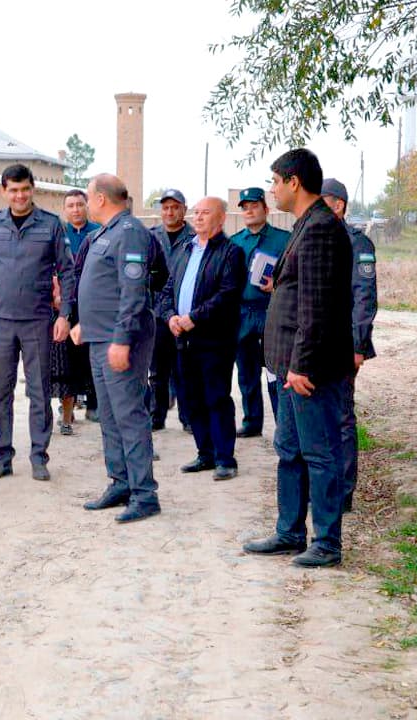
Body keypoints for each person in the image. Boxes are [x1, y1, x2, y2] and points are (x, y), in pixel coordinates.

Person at [243, 148, 353, 568]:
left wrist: (302, 365)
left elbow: (317, 308)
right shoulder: (305, 224)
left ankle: (326, 542)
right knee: (289, 449)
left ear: (294, 181)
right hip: (289, 366)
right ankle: (290, 531)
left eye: (275, 181)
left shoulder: (321, 228)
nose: (272, 190)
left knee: (319, 453)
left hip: (309, 369)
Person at [0, 163, 76, 481]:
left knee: (39, 392)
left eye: (25, 189)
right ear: (4, 191)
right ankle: (2, 456)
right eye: (14, 190)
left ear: (33, 189)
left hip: (37, 320)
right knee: (1, 391)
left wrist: (65, 315)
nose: (20, 196)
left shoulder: (51, 225)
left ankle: (39, 456)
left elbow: (67, 272)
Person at [75, 174, 163, 522]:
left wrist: (122, 339)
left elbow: (133, 292)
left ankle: (144, 494)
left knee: (129, 416)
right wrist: (85, 322)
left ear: (100, 198)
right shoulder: (105, 232)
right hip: (100, 337)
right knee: (109, 416)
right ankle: (120, 482)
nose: (86, 203)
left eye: (88, 197)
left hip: (120, 340)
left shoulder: (129, 232)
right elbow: (104, 287)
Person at [158, 197, 245, 481]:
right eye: (196, 212)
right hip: (183, 339)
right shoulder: (186, 249)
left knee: (216, 398)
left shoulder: (231, 252)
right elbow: (168, 289)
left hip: (214, 341)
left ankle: (225, 458)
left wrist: (194, 317)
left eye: (205, 213)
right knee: (191, 397)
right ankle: (204, 453)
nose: (198, 217)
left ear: (221, 219)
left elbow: (227, 295)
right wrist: (170, 316)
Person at [320, 178, 379, 511]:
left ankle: (342, 493)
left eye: (322, 202)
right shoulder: (315, 238)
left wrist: (358, 345)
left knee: (341, 417)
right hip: (314, 343)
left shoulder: (357, 243)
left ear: (338, 205)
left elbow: (364, 297)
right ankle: (322, 487)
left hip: (342, 344)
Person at [229, 187, 291, 439]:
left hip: (271, 310)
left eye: (254, 206)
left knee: (276, 371)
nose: (249, 211)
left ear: (266, 209)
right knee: (246, 371)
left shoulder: (283, 239)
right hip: (242, 312)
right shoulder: (235, 242)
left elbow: (294, 273)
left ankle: (283, 425)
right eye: (245, 207)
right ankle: (252, 421)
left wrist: (277, 284)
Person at [149, 189, 195, 433]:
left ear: (184, 210)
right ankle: (156, 417)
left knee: (183, 369)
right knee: (157, 370)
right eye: (166, 207)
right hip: (157, 313)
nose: (170, 212)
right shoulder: (150, 236)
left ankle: (188, 418)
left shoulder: (195, 237)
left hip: (184, 313)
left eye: (175, 207)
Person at [56, 189, 100, 435]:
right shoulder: (59, 234)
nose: (76, 209)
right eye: (71, 205)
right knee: (66, 358)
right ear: (65, 210)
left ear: (87, 206)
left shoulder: (98, 232)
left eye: (80, 204)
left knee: (90, 354)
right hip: (64, 304)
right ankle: (67, 406)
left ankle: (94, 402)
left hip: (91, 303)